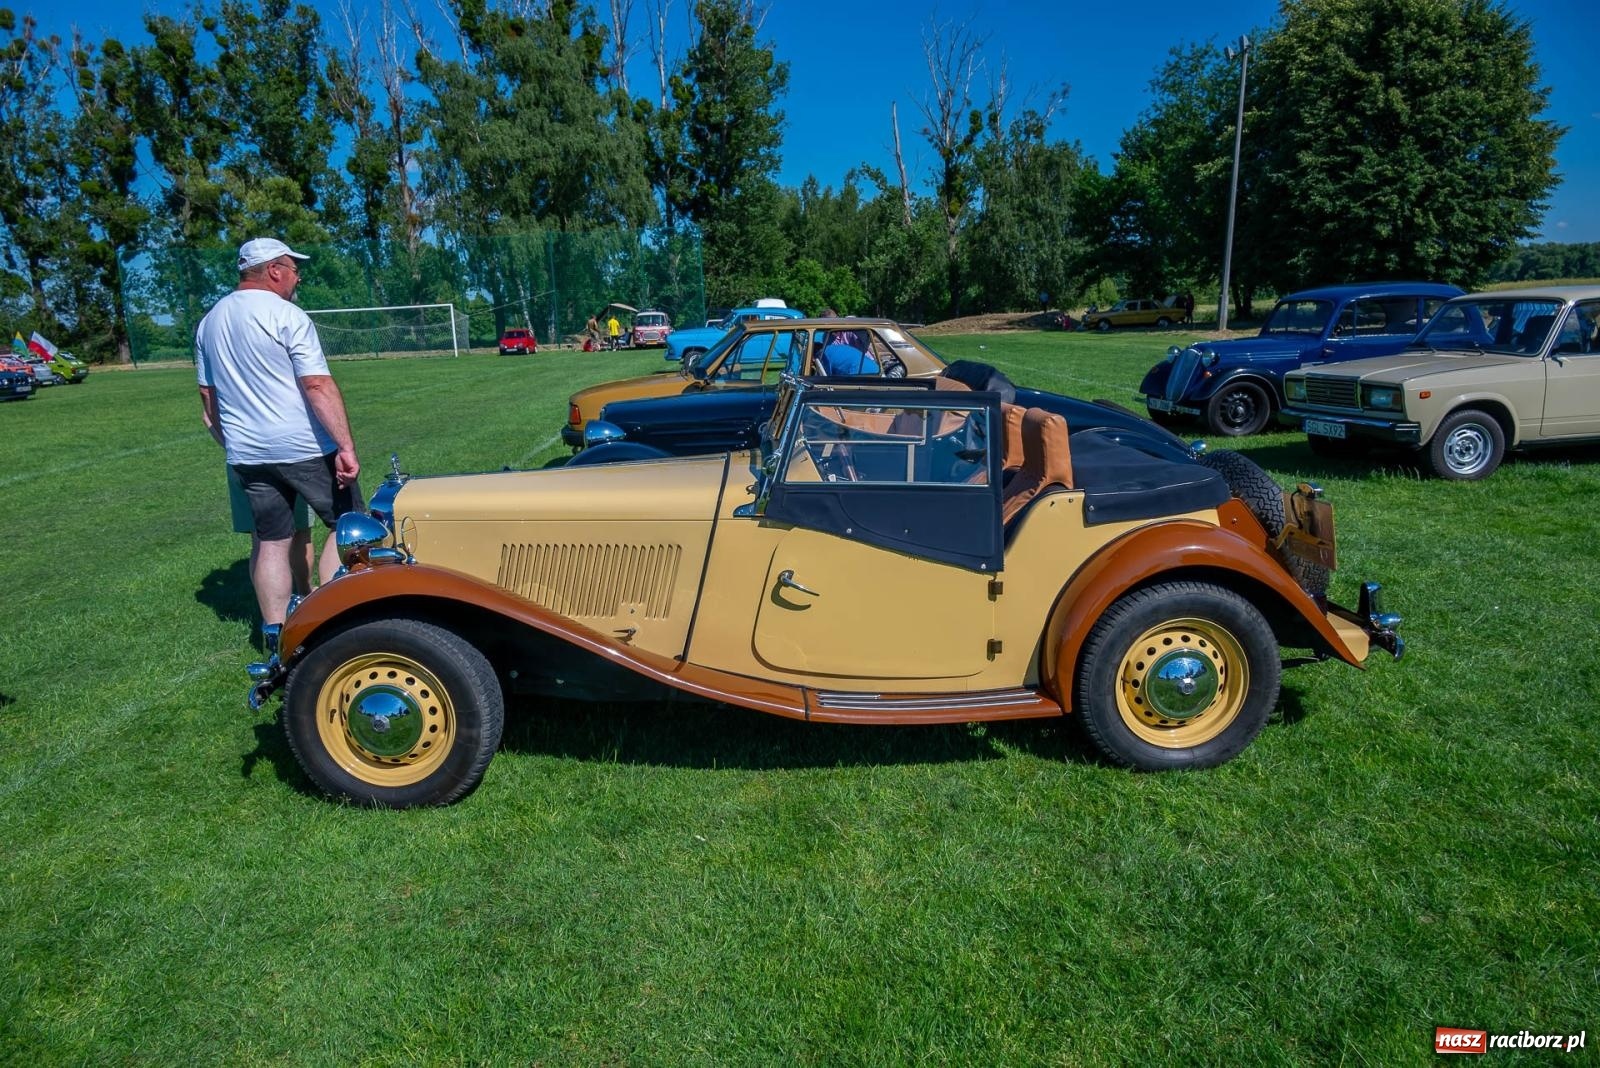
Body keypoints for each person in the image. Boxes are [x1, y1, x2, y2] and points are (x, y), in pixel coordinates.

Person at [196, 237, 362, 639]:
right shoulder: (286, 315)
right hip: (303, 447)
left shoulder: (209, 321)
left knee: (271, 541)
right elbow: (317, 385)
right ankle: (336, 620)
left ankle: (276, 635)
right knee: (350, 526)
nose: (297, 277)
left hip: (248, 454)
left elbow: (207, 400)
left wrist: (234, 443)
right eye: (292, 268)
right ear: (273, 270)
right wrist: (345, 446)